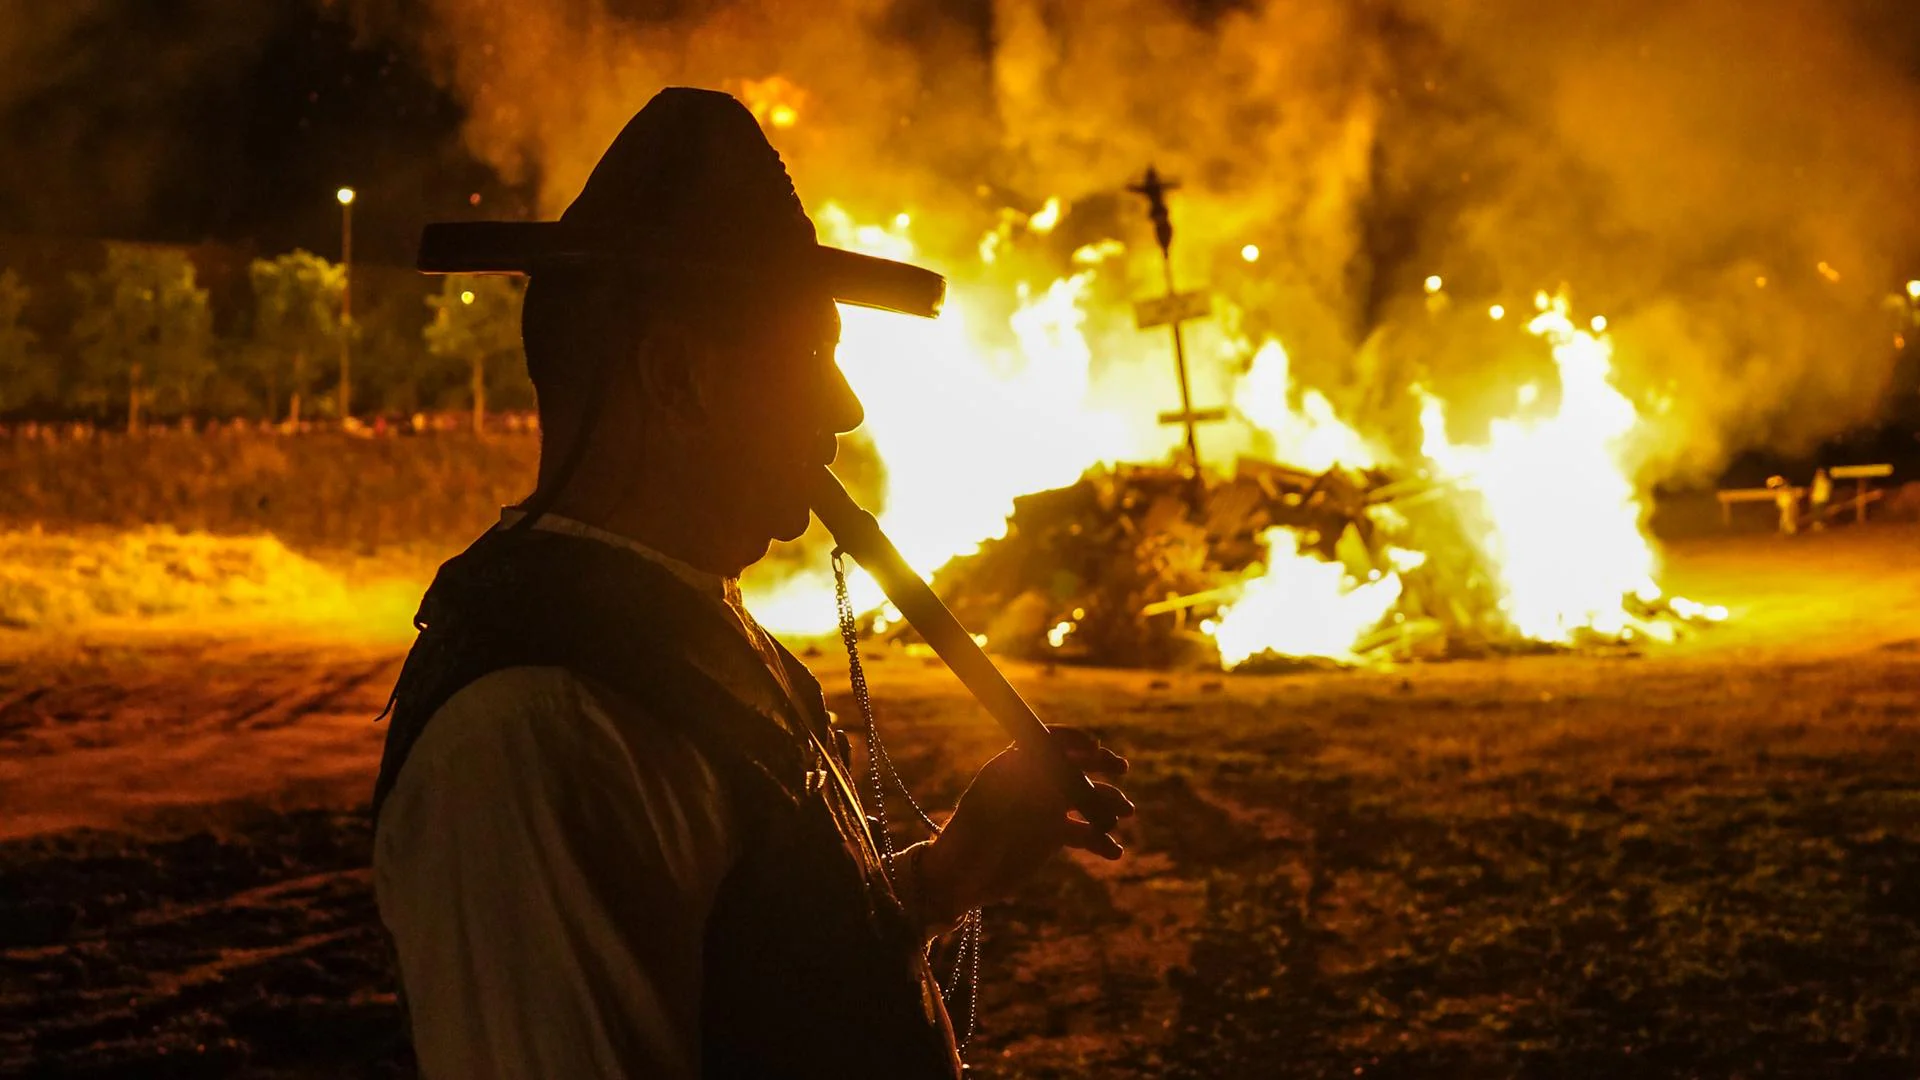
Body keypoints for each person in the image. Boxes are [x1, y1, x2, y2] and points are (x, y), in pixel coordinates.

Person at [370, 87, 1133, 1080]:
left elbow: (764, 979)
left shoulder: (679, 631)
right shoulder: (539, 730)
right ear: (680, 377)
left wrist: (944, 879)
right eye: (813, 355)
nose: (847, 409)